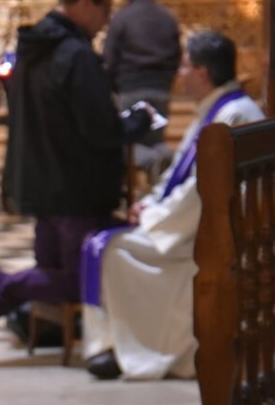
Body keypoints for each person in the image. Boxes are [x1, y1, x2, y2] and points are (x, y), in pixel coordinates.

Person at [0, 0, 152, 367]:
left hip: (38, 181)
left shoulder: (31, 50)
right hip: (74, 186)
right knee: (74, 279)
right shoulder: (74, 55)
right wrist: (136, 123)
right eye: (105, 9)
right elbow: (99, 130)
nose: (107, 20)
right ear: (84, 2)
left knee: (53, 271)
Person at [82, 30, 265, 381]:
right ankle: (116, 346)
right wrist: (149, 205)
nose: (179, 73)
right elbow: (176, 179)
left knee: (111, 250)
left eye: (184, 66)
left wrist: (153, 216)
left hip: (212, 233)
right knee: (101, 243)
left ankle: (147, 349)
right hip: (189, 222)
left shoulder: (234, 115)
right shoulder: (214, 112)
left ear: (203, 73)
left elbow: (204, 190)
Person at [102, 0, 182, 184]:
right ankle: (162, 165)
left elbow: (109, 58)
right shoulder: (168, 17)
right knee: (156, 139)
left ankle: (154, 162)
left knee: (127, 144)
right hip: (161, 91)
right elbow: (177, 55)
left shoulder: (122, 18)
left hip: (130, 90)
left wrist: (111, 89)